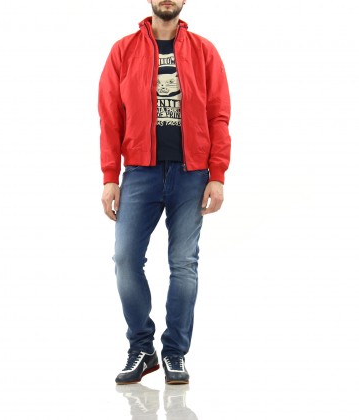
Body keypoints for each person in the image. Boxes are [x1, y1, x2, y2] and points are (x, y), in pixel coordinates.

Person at [98, 0, 231, 385]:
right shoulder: (123, 50)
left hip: (192, 174)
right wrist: (110, 176)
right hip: (140, 173)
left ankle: (175, 352)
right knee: (125, 258)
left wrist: (218, 174)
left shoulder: (204, 51)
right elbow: (110, 116)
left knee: (183, 263)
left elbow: (218, 115)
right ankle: (142, 348)